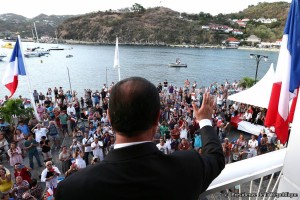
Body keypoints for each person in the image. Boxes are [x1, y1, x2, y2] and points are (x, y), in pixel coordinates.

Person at [55, 77, 225, 199]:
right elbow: (216, 157)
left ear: (109, 117)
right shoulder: (189, 165)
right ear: (158, 117)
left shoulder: (72, 189)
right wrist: (204, 120)